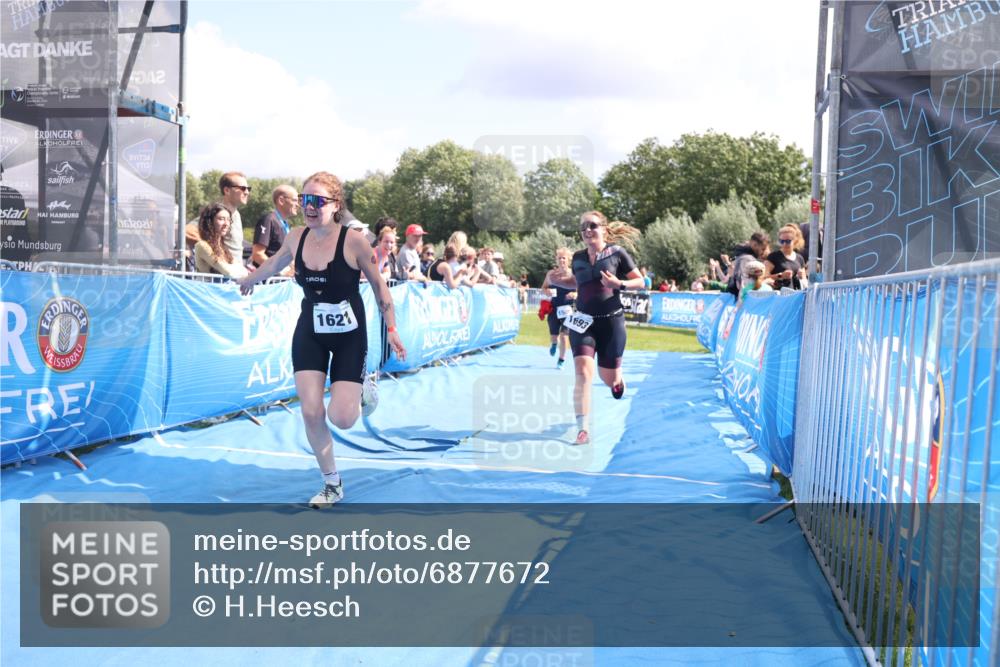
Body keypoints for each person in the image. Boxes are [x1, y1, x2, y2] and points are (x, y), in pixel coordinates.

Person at [237, 171, 406, 508]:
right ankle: (332, 483)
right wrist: (251, 279)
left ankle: (362, 390)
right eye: (304, 200)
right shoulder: (296, 237)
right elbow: (275, 261)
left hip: (349, 335)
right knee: (311, 411)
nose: (309, 207)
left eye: (317, 201)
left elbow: (378, 284)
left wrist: (391, 328)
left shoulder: (355, 241)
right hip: (311, 332)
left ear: (335, 205)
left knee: (341, 417)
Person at [568, 211, 644, 446]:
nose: (587, 230)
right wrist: (559, 282)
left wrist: (618, 284)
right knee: (583, 372)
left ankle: (618, 379)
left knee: (606, 378)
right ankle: (583, 429)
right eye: (583, 227)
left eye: (592, 225)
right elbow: (579, 281)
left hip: (611, 322)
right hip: (583, 322)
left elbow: (641, 281)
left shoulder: (617, 253)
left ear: (604, 229)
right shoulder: (577, 257)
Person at [541, 247, 577, 369]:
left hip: (568, 309)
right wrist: (547, 291)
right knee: (554, 335)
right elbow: (544, 287)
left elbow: (582, 291)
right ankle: (554, 344)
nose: (562, 260)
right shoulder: (551, 274)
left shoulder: (574, 274)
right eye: (559, 258)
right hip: (554, 308)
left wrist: (575, 294)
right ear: (556, 260)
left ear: (569, 260)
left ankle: (561, 359)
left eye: (564, 258)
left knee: (564, 335)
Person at [252, 185, 299, 275]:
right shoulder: (268, 220)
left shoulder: (285, 223)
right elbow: (257, 255)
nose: (298, 205)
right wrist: (282, 272)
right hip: (269, 283)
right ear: (281, 200)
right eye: (294, 200)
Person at [193, 203, 249, 279]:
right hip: (208, 290)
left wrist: (238, 270)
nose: (226, 224)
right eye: (221, 219)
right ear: (210, 222)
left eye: (228, 220)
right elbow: (228, 272)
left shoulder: (223, 247)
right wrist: (237, 269)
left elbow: (244, 271)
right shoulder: (202, 245)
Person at [218, 171, 252, 265]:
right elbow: (188, 231)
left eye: (248, 189)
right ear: (227, 190)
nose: (247, 192)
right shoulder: (216, 212)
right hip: (221, 277)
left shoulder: (236, 214)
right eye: (243, 188)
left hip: (235, 274)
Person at [725, 231, 771, 298]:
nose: (763, 252)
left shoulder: (740, 256)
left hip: (733, 297)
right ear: (754, 244)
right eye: (763, 249)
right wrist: (765, 282)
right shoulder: (747, 259)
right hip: (741, 299)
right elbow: (744, 284)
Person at [765, 224, 807, 290]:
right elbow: (763, 277)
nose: (784, 244)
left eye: (788, 241)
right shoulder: (773, 257)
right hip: (779, 296)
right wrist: (781, 275)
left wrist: (802, 276)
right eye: (782, 241)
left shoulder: (800, 258)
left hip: (796, 296)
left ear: (795, 241)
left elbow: (804, 280)